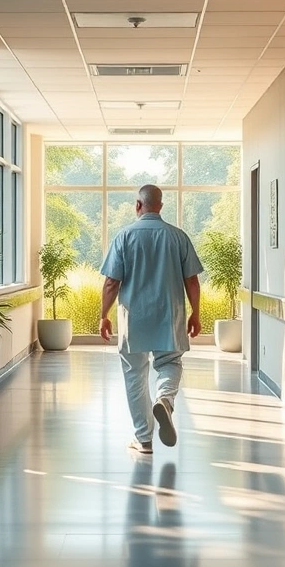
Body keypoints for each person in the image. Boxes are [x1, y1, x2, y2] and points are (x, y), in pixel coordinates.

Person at [99, 184, 203, 454]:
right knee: (170, 363)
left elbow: (111, 282)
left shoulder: (124, 236)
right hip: (170, 317)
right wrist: (196, 313)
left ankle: (143, 439)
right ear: (161, 206)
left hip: (134, 320)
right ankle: (165, 400)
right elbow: (192, 280)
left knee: (134, 374)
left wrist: (104, 316)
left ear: (137, 205)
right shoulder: (178, 236)